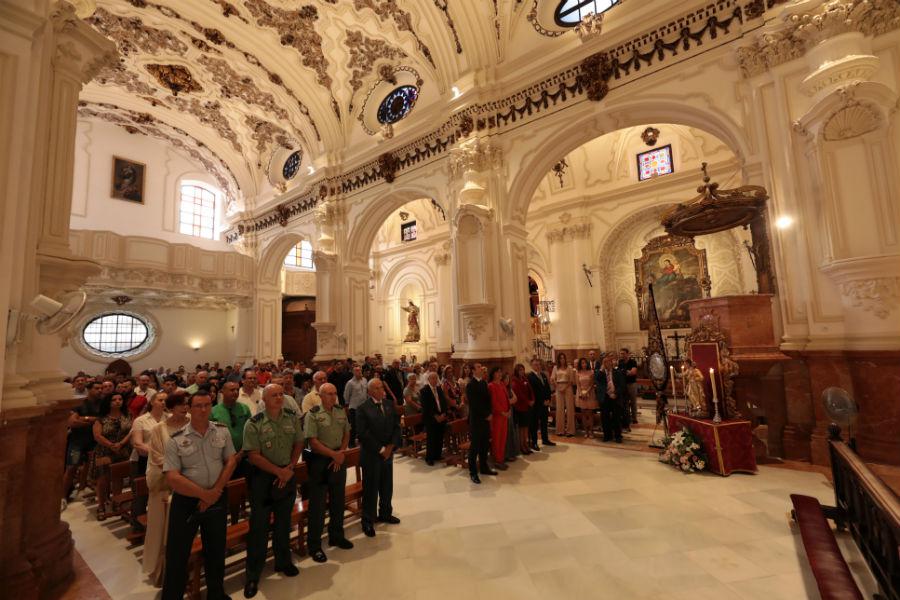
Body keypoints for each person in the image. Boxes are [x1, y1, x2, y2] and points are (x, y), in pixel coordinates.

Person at [161, 390, 236, 600]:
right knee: (178, 554)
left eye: (206, 405)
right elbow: (173, 477)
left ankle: (216, 593)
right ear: (189, 408)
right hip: (186, 502)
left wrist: (215, 492)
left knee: (216, 549)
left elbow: (230, 461)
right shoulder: (176, 439)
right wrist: (205, 495)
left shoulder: (222, 431)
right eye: (198, 406)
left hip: (217, 496)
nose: (203, 409)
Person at [241, 384, 303, 598]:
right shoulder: (254, 423)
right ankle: (253, 574)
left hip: (287, 474)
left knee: (284, 522)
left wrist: (290, 468)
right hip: (263, 479)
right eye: (274, 395)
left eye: (281, 394)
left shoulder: (291, 417)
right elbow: (253, 455)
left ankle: (283, 561)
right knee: (258, 527)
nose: (279, 398)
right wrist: (279, 472)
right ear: (264, 400)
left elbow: (298, 443)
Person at [303, 383, 354, 562]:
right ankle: (314, 545)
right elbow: (312, 442)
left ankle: (337, 536)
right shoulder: (313, 414)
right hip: (320, 461)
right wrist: (334, 455)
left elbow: (347, 432)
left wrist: (340, 453)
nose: (333, 397)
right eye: (329, 394)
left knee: (338, 500)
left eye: (335, 393)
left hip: (338, 458)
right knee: (317, 506)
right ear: (321, 396)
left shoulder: (340, 411)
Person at [143, 391, 186, 585]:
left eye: (187, 404)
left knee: (183, 529)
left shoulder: (192, 423)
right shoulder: (159, 429)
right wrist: (182, 468)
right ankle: (161, 570)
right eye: (180, 405)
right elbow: (158, 457)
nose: (185, 408)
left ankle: (183, 567)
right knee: (161, 527)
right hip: (164, 484)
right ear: (170, 408)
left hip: (188, 483)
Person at [355, 378, 401, 537]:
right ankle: (368, 520)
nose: (381, 390)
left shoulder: (388, 404)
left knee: (387, 486)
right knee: (371, 489)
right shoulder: (362, 409)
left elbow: (396, 427)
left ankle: (386, 513)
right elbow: (363, 434)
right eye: (377, 388)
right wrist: (381, 449)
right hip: (371, 456)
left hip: (388, 453)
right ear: (370, 391)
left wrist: (390, 447)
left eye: (382, 386)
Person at [129, 392, 167, 530]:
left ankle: (160, 524)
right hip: (142, 460)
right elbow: (138, 444)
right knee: (141, 496)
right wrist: (158, 453)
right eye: (160, 400)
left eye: (165, 400)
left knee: (161, 493)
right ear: (152, 402)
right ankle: (137, 525)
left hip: (164, 461)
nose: (163, 402)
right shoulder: (141, 420)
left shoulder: (169, 418)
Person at [92, 393, 133, 520]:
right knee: (103, 479)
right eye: (114, 400)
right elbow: (97, 436)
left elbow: (131, 431)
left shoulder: (127, 414)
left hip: (123, 449)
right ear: (108, 402)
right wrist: (111, 445)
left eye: (120, 399)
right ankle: (101, 505)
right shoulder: (101, 418)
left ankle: (117, 502)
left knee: (118, 477)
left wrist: (120, 444)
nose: (117, 402)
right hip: (104, 451)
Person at [63, 380, 103, 504]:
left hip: (93, 441)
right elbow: (72, 423)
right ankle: (62, 497)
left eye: (101, 388)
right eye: (97, 388)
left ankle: (81, 489)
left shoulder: (102, 404)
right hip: (77, 441)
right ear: (89, 390)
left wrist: (84, 419)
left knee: (88, 466)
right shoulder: (80, 403)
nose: (100, 390)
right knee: (71, 467)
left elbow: (103, 420)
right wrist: (90, 419)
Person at [211, 381, 252, 480]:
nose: (235, 392)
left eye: (237, 390)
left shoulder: (244, 409)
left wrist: (241, 454)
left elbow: (250, 434)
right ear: (222, 392)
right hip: (222, 459)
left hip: (244, 456)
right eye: (232, 390)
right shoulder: (213, 411)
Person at [466, 364, 496, 484]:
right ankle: (473, 473)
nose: (481, 368)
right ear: (473, 370)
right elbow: (474, 404)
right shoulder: (470, 385)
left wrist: (490, 413)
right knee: (475, 448)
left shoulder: (483, 383)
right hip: (477, 420)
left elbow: (488, 400)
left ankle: (484, 467)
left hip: (485, 419)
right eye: (478, 367)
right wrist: (486, 414)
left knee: (484, 446)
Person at [420, 370, 448, 465]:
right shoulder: (424, 390)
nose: (435, 380)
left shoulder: (439, 389)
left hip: (441, 416)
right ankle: (429, 458)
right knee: (431, 438)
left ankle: (437, 455)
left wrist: (443, 413)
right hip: (431, 418)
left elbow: (443, 402)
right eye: (432, 378)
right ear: (428, 379)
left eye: (436, 378)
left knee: (439, 437)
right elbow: (426, 406)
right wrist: (436, 416)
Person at [526, 359, 555, 450]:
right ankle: (534, 443)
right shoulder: (530, 377)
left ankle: (545, 439)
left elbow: (547, 388)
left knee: (544, 422)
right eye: (535, 365)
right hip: (537, 404)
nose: (537, 366)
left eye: (538, 364)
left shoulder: (543, 375)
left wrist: (548, 399)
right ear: (532, 366)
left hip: (545, 403)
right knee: (534, 424)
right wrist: (541, 401)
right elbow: (533, 392)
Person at [598, 355, 627, 443]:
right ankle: (607, 435)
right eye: (605, 362)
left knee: (616, 417)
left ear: (611, 362)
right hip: (605, 397)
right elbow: (597, 381)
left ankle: (618, 436)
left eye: (608, 361)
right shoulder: (601, 373)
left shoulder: (617, 372)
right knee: (605, 417)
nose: (607, 363)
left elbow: (622, 386)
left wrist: (615, 394)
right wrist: (601, 369)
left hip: (615, 397)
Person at [487, 368, 510, 466]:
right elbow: (494, 402)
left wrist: (508, 410)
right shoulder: (491, 386)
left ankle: (501, 457)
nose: (500, 374)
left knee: (503, 437)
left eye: (501, 372)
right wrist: (502, 412)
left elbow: (506, 398)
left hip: (505, 415)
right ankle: (497, 459)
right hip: (497, 416)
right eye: (498, 372)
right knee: (497, 438)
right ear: (493, 374)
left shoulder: (502, 384)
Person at [510, 364, 534, 455]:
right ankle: (521, 446)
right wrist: (528, 401)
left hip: (527, 406)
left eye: (523, 370)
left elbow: (530, 389)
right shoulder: (514, 381)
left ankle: (526, 444)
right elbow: (519, 394)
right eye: (520, 370)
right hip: (520, 407)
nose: (522, 371)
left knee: (526, 427)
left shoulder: (524, 379)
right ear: (516, 371)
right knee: (521, 428)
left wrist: (532, 399)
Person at [551, 353, 576, 437]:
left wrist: (565, 387)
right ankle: (560, 430)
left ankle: (570, 431)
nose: (562, 360)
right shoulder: (555, 368)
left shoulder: (569, 368)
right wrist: (558, 387)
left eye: (563, 358)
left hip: (568, 388)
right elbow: (553, 379)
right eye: (560, 358)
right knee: (559, 409)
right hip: (558, 388)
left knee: (569, 409)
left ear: (565, 359)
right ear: (558, 359)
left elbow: (571, 380)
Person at [343, 365, 368, 447]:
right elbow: (346, 395)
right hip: (354, 407)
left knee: (363, 425)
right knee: (353, 426)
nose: (359, 372)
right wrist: (347, 405)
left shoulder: (364, 380)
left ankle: (361, 441)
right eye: (357, 370)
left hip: (364, 407)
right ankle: (351, 444)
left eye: (360, 370)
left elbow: (366, 392)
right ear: (353, 372)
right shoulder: (350, 383)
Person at [575, 358, 598, 438]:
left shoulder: (591, 372)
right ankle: (586, 431)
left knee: (590, 414)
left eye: (585, 363)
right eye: (582, 363)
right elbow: (578, 384)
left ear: (587, 363)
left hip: (590, 393)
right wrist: (581, 393)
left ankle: (591, 431)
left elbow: (592, 384)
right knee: (583, 414)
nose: (583, 364)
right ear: (580, 364)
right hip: (581, 394)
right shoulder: (578, 372)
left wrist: (587, 392)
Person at [618, 348, 639, 426]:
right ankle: (627, 418)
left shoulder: (632, 362)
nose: (621, 355)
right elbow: (619, 373)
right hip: (623, 384)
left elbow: (633, 372)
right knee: (625, 402)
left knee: (633, 401)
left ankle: (634, 418)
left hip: (631, 384)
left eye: (623, 353)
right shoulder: (620, 362)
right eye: (621, 353)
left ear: (627, 354)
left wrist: (624, 372)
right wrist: (626, 372)